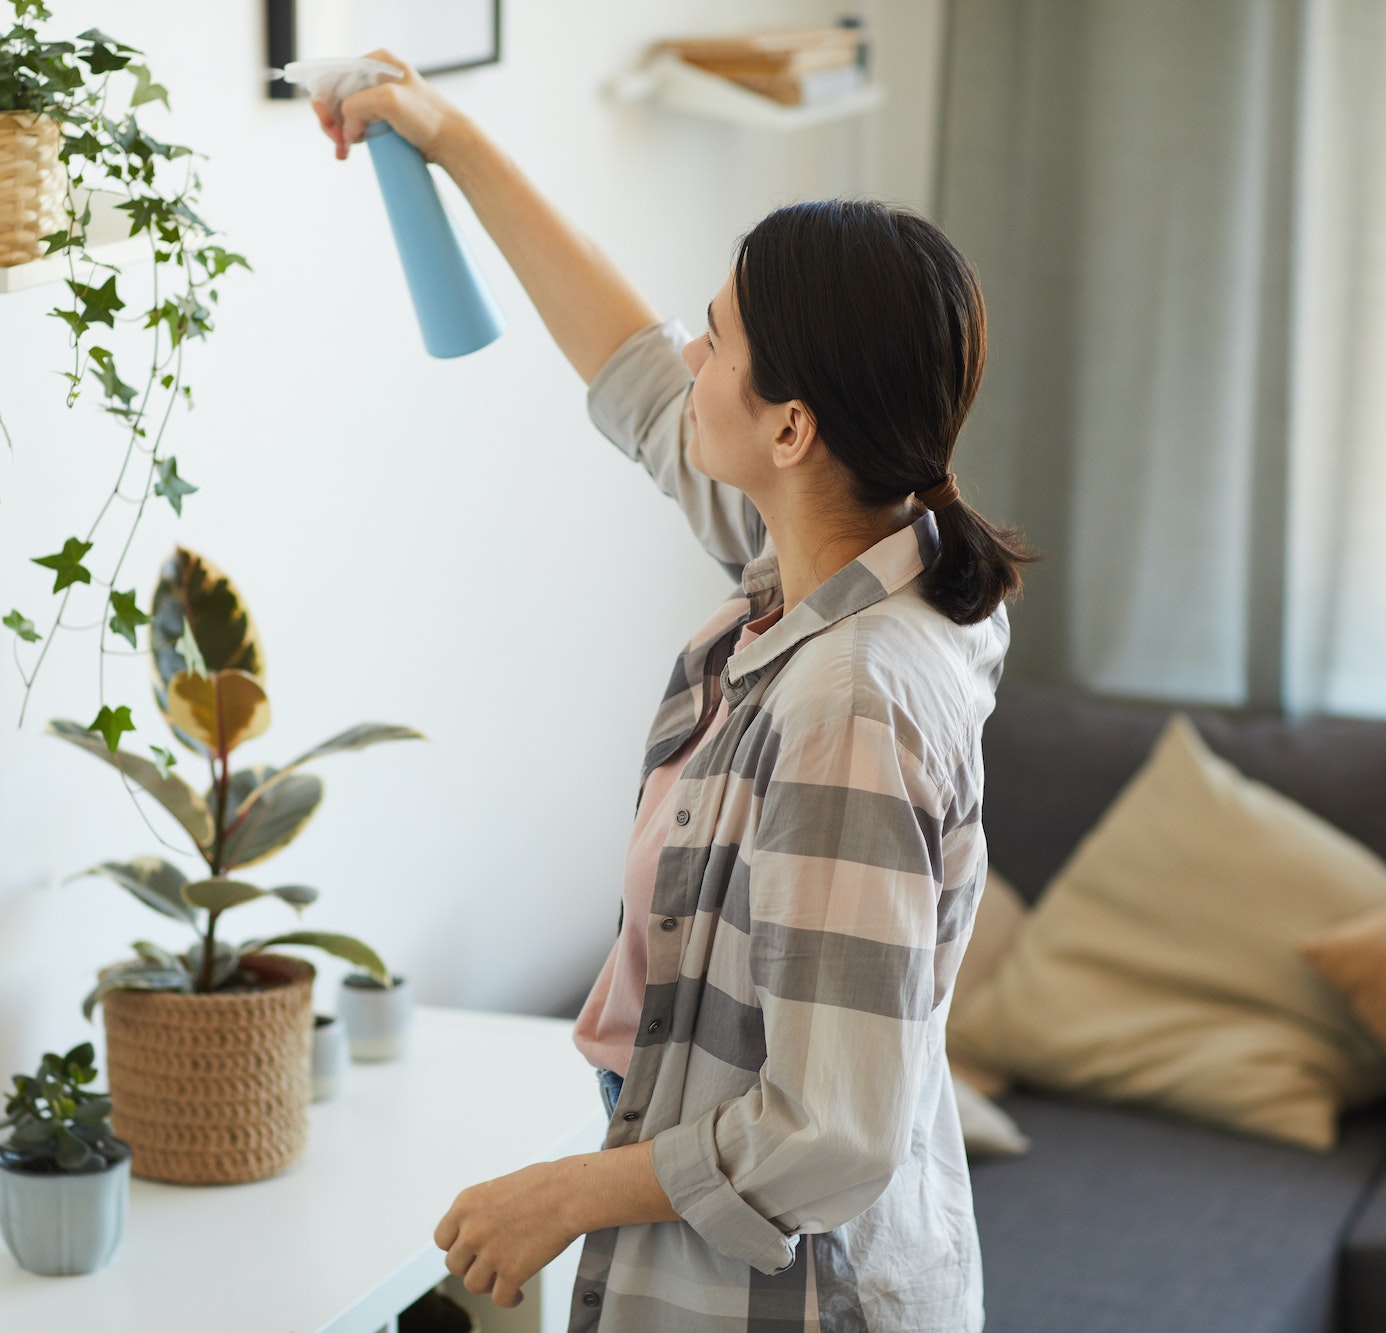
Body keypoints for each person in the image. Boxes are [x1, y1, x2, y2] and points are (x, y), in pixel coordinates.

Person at [310, 50, 1033, 1333]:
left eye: (719, 336)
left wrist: (570, 1192)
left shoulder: (847, 704)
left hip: (795, 1295)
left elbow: (831, 1134)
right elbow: (633, 372)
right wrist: (444, 135)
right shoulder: (846, 562)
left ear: (793, 428)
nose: (689, 351)